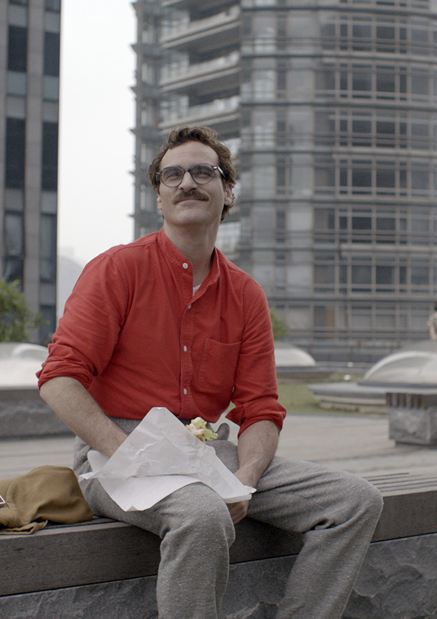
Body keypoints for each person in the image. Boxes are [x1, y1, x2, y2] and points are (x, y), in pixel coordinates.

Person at [37, 126, 383, 619]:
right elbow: (59, 377)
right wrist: (131, 452)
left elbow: (260, 406)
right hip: (113, 451)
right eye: (172, 174)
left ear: (227, 193)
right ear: (158, 196)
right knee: (202, 515)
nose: (187, 182)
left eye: (204, 172)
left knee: (355, 501)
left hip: (206, 453)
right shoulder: (116, 270)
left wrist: (245, 476)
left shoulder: (245, 295)